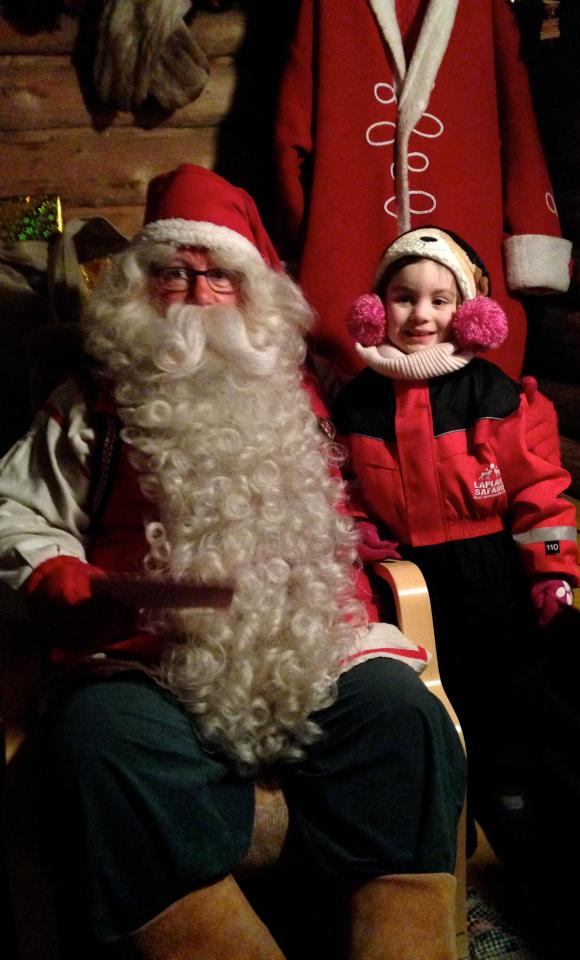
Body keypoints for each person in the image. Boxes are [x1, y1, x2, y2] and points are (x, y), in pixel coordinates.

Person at [0, 165, 465, 960]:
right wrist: (49, 564)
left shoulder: (306, 393)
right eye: (173, 274)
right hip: (145, 659)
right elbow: (16, 505)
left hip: (313, 644)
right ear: (138, 290)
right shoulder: (90, 404)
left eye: (218, 276)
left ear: (254, 295)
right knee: (93, 746)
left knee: (405, 719)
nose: (195, 294)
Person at [331, 226, 580, 861]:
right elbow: (346, 484)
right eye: (403, 297)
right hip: (405, 571)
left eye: (440, 300)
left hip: (487, 564)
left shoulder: (492, 392)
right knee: (427, 685)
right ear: (375, 307)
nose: (420, 315)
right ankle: (443, 793)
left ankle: (510, 787)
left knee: (506, 679)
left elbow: (539, 486)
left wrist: (550, 568)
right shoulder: (357, 401)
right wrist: (362, 537)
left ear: (468, 311)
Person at [274, 0, 572, 381]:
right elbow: (293, 126)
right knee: (349, 391)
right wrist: (308, 245)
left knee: (477, 391)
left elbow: (518, 120)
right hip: (353, 238)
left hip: (467, 231)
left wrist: (535, 231)